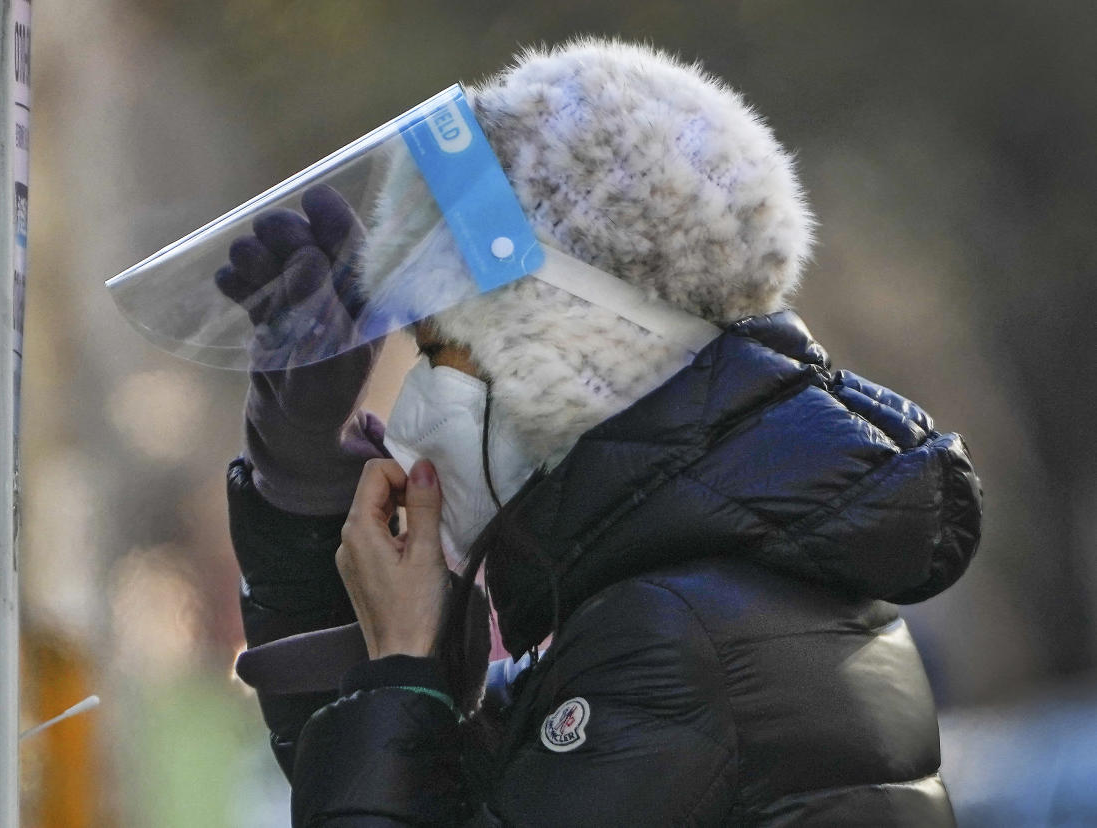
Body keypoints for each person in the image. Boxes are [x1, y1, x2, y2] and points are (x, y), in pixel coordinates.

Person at [220, 39, 981, 826]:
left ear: (562, 348)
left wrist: (405, 674)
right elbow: (423, 786)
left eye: (439, 349)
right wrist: (306, 489)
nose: (417, 401)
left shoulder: (671, 644)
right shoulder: (698, 603)